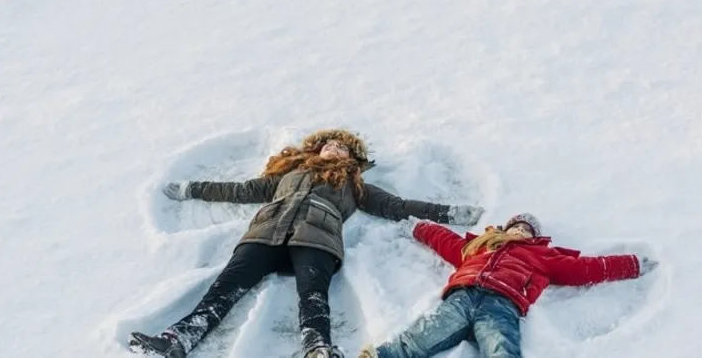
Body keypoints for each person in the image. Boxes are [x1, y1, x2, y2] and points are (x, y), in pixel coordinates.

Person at [128, 129, 486, 358]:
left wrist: (450, 211)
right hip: (266, 232)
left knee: (313, 293)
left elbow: (398, 207)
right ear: (318, 148)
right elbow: (240, 191)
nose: (335, 149)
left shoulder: (354, 184)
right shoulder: (290, 174)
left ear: (352, 159)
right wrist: (192, 189)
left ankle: (317, 347)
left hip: (318, 237)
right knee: (227, 286)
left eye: (343, 148)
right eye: (330, 144)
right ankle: (179, 339)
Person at [358, 213, 659, 358]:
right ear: (505, 229)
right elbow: (445, 241)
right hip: (463, 296)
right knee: (423, 334)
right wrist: (420, 227)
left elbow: (585, 268)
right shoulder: (479, 246)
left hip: (501, 304)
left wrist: (631, 264)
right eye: (517, 226)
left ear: (535, 238)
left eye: (527, 230)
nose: (521, 231)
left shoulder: (544, 256)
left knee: (501, 346)